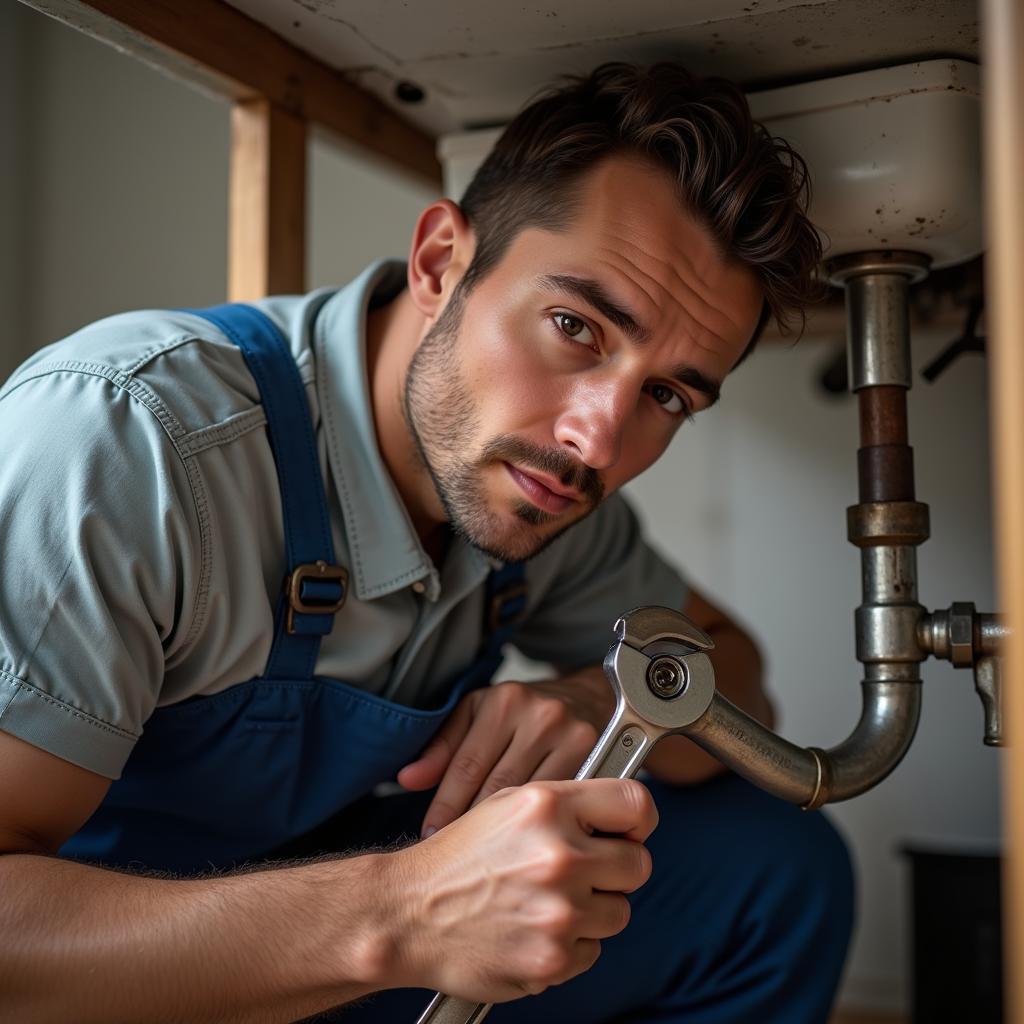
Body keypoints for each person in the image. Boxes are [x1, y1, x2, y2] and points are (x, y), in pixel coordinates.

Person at [0, 63, 853, 1022]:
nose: (599, 440)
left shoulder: (550, 493)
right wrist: (403, 914)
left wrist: (604, 694)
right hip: (101, 976)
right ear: (442, 260)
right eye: (575, 326)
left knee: (773, 873)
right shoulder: (129, 442)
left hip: (317, 936)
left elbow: (735, 680)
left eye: (667, 395)